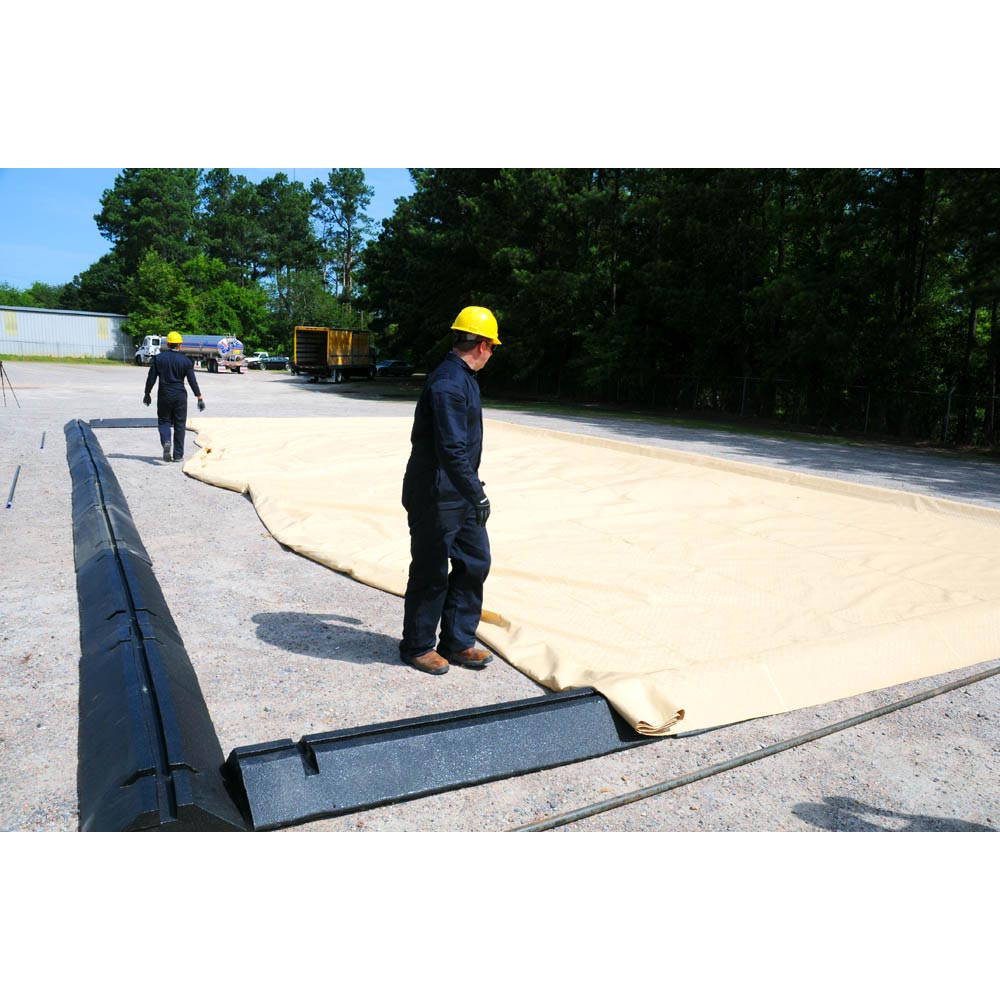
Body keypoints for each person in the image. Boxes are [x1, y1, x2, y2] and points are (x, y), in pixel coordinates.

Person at [399, 306, 501, 675]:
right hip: (435, 493)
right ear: (484, 345)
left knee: (475, 562)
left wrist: (471, 492)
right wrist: (478, 494)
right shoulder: (448, 383)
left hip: (459, 490)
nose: (492, 354)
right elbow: (451, 449)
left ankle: (458, 642)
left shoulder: (464, 378)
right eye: (493, 347)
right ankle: (418, 646)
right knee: (431, 570)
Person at [143, 331, 205, 462]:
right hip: (180, 396)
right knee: (180, 425)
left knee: (164, 421)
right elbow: (192, 381)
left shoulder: (159, 359)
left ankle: (166, 441)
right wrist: (199, 397)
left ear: (168, 344)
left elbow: (151, 378)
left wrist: (147, 393)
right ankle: (178, 455)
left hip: (164, 395)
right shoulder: (186, 361)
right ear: (180, 345)